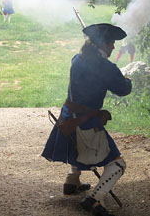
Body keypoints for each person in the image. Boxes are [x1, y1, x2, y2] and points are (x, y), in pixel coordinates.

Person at [42, 23, 132, 216]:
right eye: (111, 43)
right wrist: (127, 80)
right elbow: (123, 89)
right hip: (85, 121)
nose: (114, 47)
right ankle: (94, 199)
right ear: (104, 44)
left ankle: (72, 180)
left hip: (68, 117)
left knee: (79, 146)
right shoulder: (106, 67)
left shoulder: (78, 59)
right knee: (118, 164)